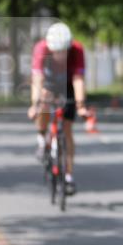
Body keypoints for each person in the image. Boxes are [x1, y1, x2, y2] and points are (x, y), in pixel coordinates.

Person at [28, 23, 88, 195]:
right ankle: (41, 137)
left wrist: (81, 106)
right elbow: (37, 79)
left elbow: (78, 80)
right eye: (56, 51)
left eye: (64, 51)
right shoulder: (40, 49)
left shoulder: (77, 50)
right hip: (48, 82)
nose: (60, 55)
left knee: (67, 130)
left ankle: (68, 177)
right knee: (43, 102)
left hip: (68, 83)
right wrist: (35, 105)